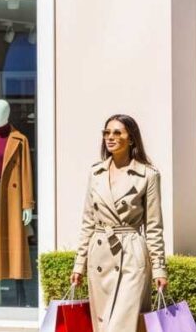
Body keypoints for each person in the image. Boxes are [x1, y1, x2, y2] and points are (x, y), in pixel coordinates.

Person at [70, 114, 168, 332]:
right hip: (100, 256)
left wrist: (159, 269)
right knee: (103, 325)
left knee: (122, 326)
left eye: (117, 133)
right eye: (106, 133)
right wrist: (79, 265)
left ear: (131, 138)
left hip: (132, 256)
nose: (110, 137)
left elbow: (154, 226)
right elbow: (87, 222)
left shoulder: (147, 175)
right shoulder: (96, 173)